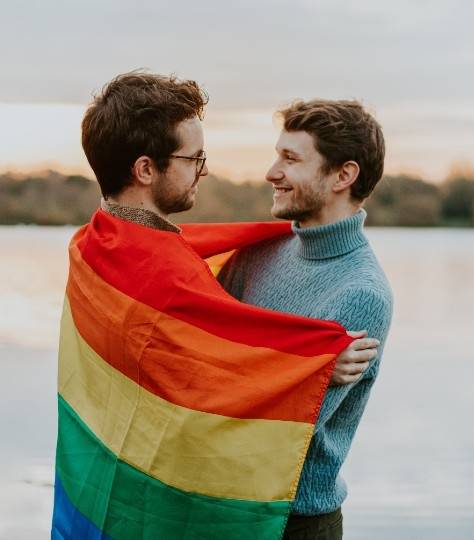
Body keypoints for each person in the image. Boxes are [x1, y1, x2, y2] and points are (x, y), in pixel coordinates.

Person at [52, 71, 376, 539]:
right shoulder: (172, 275)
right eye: (194, 158)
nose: (202, 170)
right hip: (170, 506)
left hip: (134, 495)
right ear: (146, 170)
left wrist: (311, 362)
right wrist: (312, 365)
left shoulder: (90, 245)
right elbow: (208, 397)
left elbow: (209, 367)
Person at [219, 99, 393, 540]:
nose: (271, 172)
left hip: (294, 523)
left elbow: (282, 434)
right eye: (277, 155)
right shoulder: (257, 253)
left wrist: (304, 378)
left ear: (343, 175)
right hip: (220, 503)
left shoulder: (360, 294)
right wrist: (303, 369)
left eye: (290, 159)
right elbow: (201, 351)